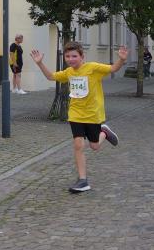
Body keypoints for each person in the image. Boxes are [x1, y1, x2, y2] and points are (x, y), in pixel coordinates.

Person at [30, 42, 126, 193]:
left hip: (93, 114)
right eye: (67, 56)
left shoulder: (93, 68)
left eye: (74, 56)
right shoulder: (69, 72)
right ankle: (83, 180)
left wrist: (121, 59)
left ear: (82, 57)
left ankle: (104, 132)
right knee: (78, 145)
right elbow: (51, 76)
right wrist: (40, 63)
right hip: (75, 114)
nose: (70, 59)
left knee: (94, 146)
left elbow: (113, 68)